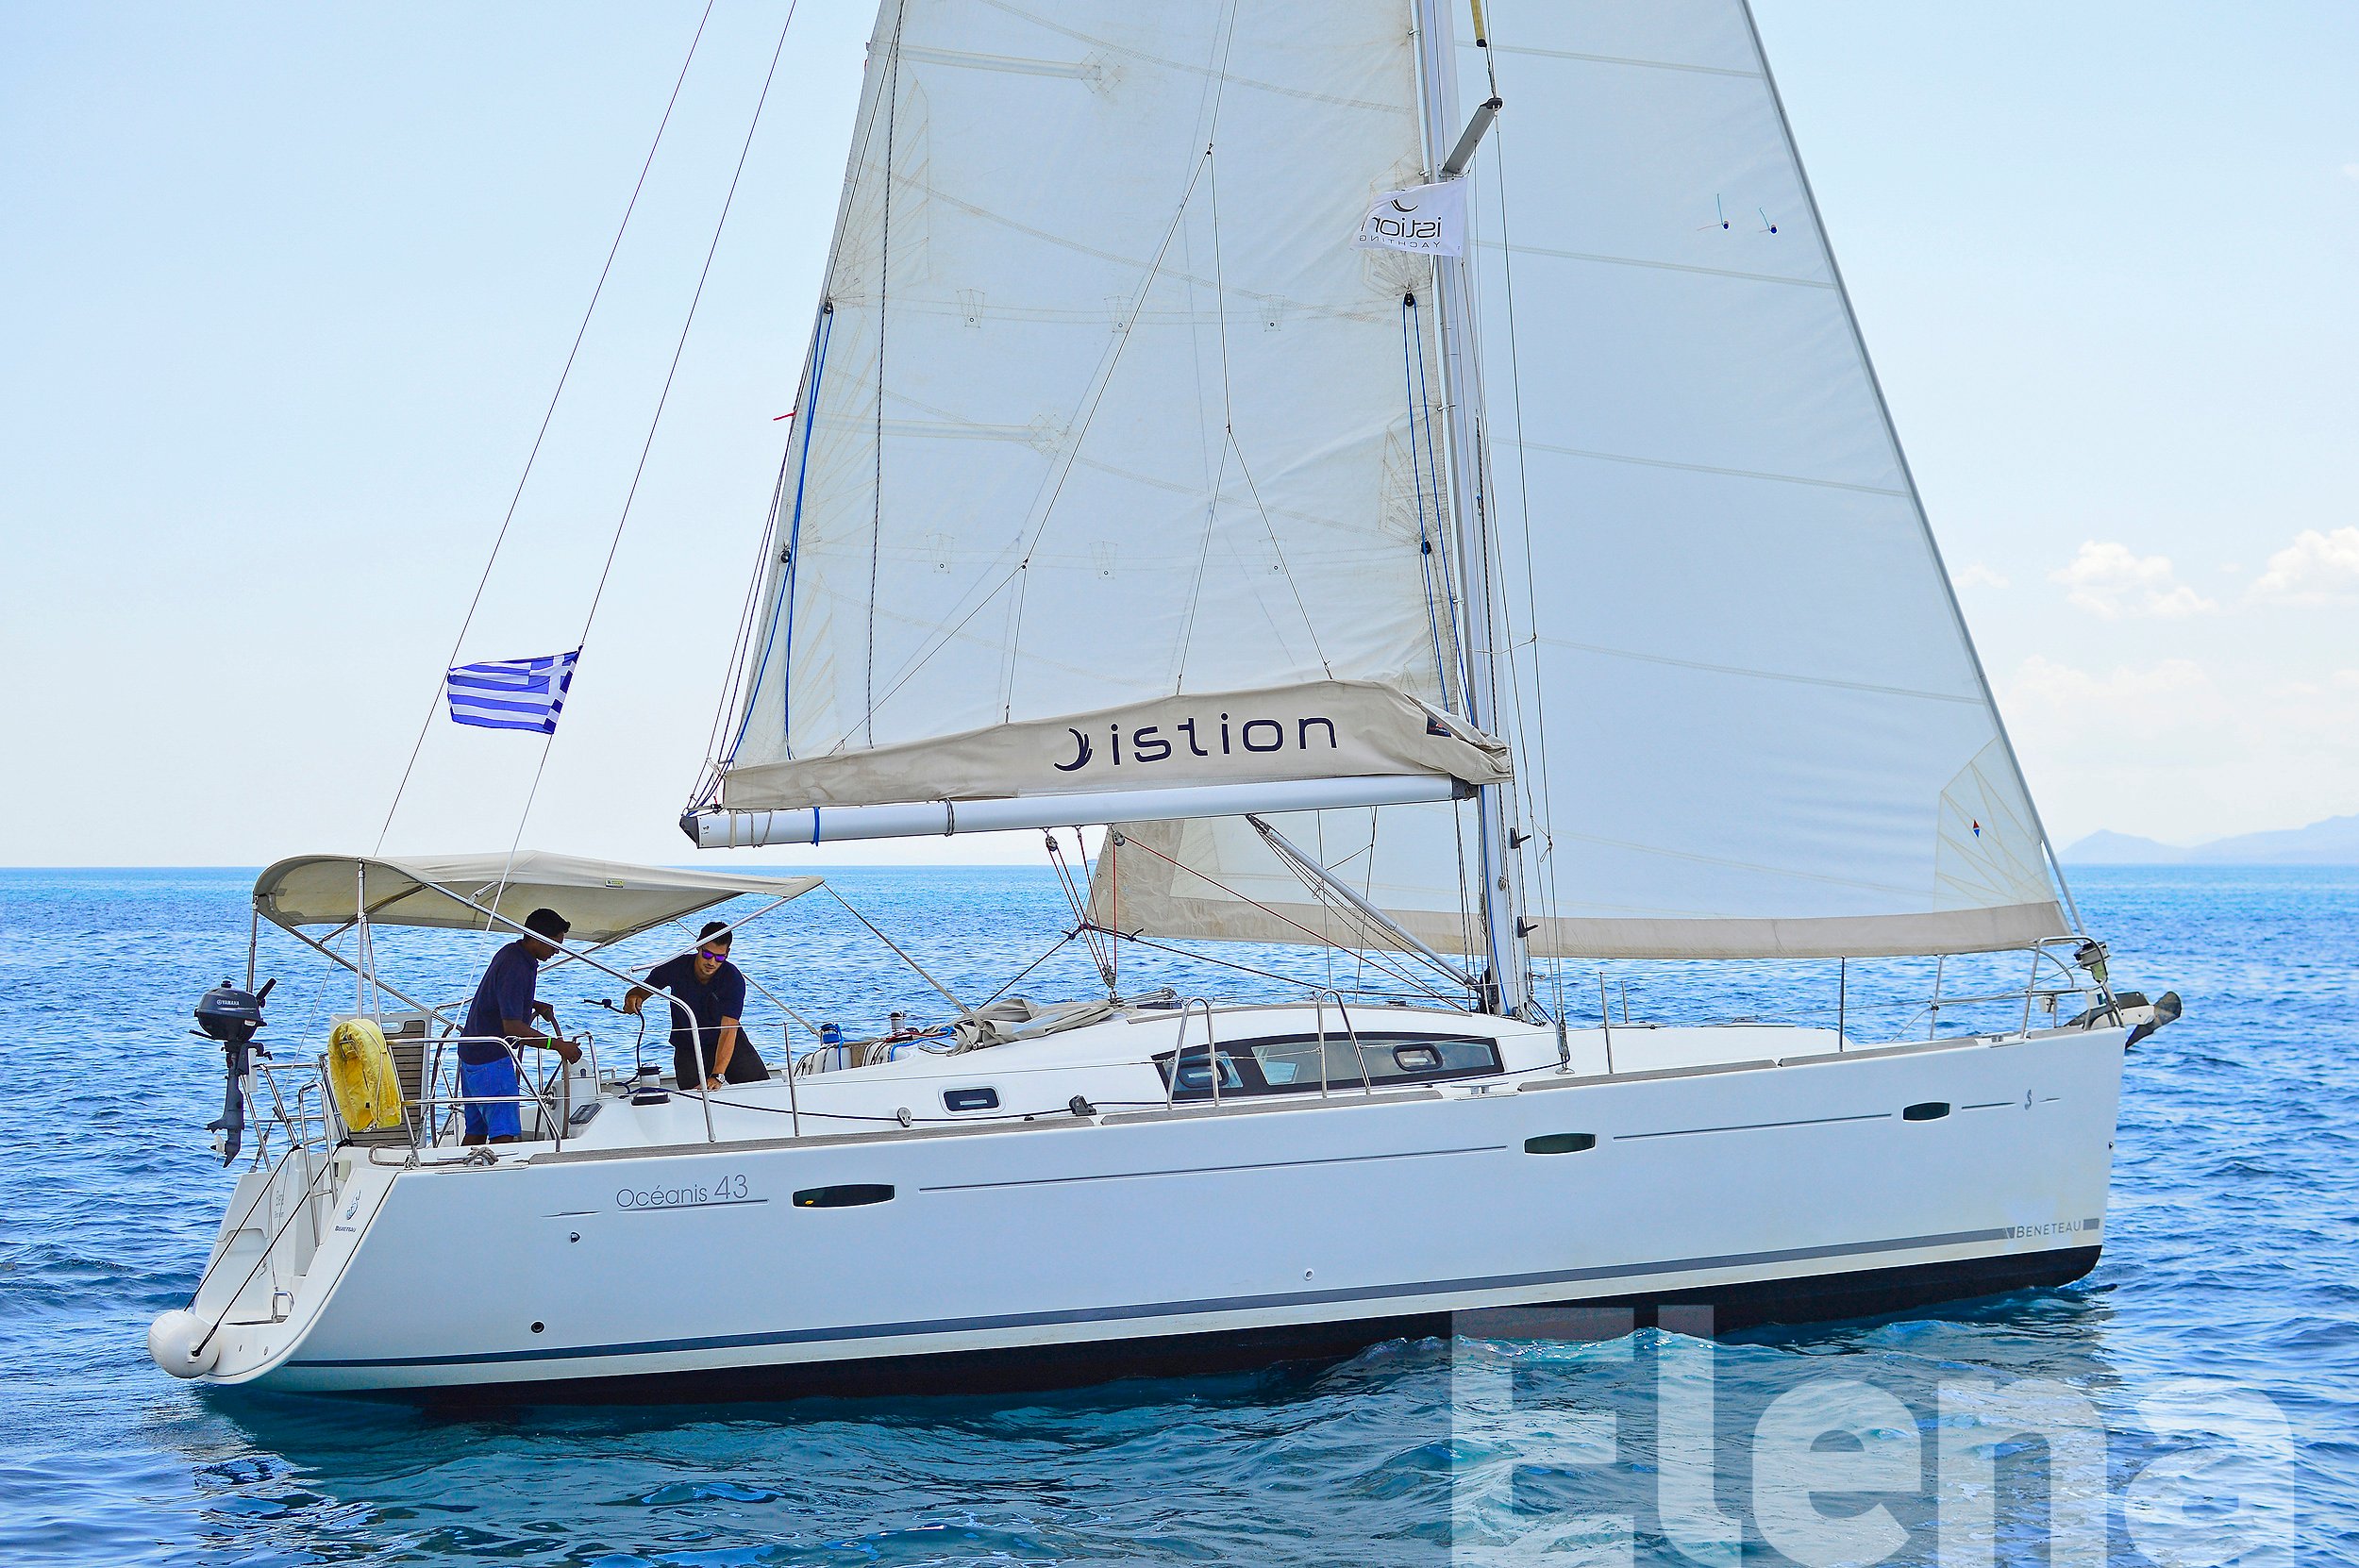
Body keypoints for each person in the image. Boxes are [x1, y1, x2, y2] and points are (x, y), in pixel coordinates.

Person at [456, 907, 579, 1144]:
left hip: (471, 1054)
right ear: (535, 937)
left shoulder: (510, 953)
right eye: (554, 943)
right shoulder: (518, 967)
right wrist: (558, 1045)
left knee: (477, 1131)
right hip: (490, 1059)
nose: (557, 950)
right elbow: (511, 1026)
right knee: (504, 1133)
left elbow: (499, 993)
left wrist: (532, 1003)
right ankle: (500, 1178)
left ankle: (459, 1176)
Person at [625, 921, 767, 1092]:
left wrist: (717, 1075)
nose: (712, 962)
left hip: (727, 1041)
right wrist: (633, 997)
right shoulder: (675, 966)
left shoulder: (733, 979)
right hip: (688, 1046)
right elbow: (642, 990)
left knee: (762, 1089)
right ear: (698, 946)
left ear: (727, 954)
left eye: (720, 957)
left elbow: (729, 1029)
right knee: (693, 1098)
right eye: (707, 955)